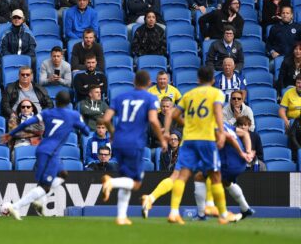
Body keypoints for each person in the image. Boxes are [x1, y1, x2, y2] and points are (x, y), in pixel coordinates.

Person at [161, 66, 240, 224]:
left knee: (182, 176)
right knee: (216, 176)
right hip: (206, 139)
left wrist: (167, 131)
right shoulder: (216, 93)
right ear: (213, 80)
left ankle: (174, 212)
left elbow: (173, 114)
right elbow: (218, 112)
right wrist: (221, 133)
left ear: (198, 79)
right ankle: (223, 214)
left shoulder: (189, 95)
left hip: (189, 140)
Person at [0, 91, 91, 220]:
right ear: (69, 103)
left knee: (63, 174)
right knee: (45, 186)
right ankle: (16, 206)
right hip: (50, 153)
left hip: (44, 149)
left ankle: (41, 201)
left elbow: (26, 123)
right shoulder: (73, 115)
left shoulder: (47, 113)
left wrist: (11, 133)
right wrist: (78, 121)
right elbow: (86, 132)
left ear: (55, 102)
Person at [97, 70, 164, 224]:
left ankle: (121, 217)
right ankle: (111, 183)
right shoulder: (150, 98)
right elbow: (153, 121)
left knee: (125, 178)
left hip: (119, 141)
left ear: (134, 82)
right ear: (149, 84)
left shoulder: (120, 97)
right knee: (136, 183)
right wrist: (162, 139)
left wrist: (113, 133)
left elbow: (106, 119)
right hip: (135, 143)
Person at [280, 74, 301, 140]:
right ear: (295, 83)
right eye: (298, 83)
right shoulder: (288, 93)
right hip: (292, 121)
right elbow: (281, 110)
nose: (300, 85)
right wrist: (286, 120)